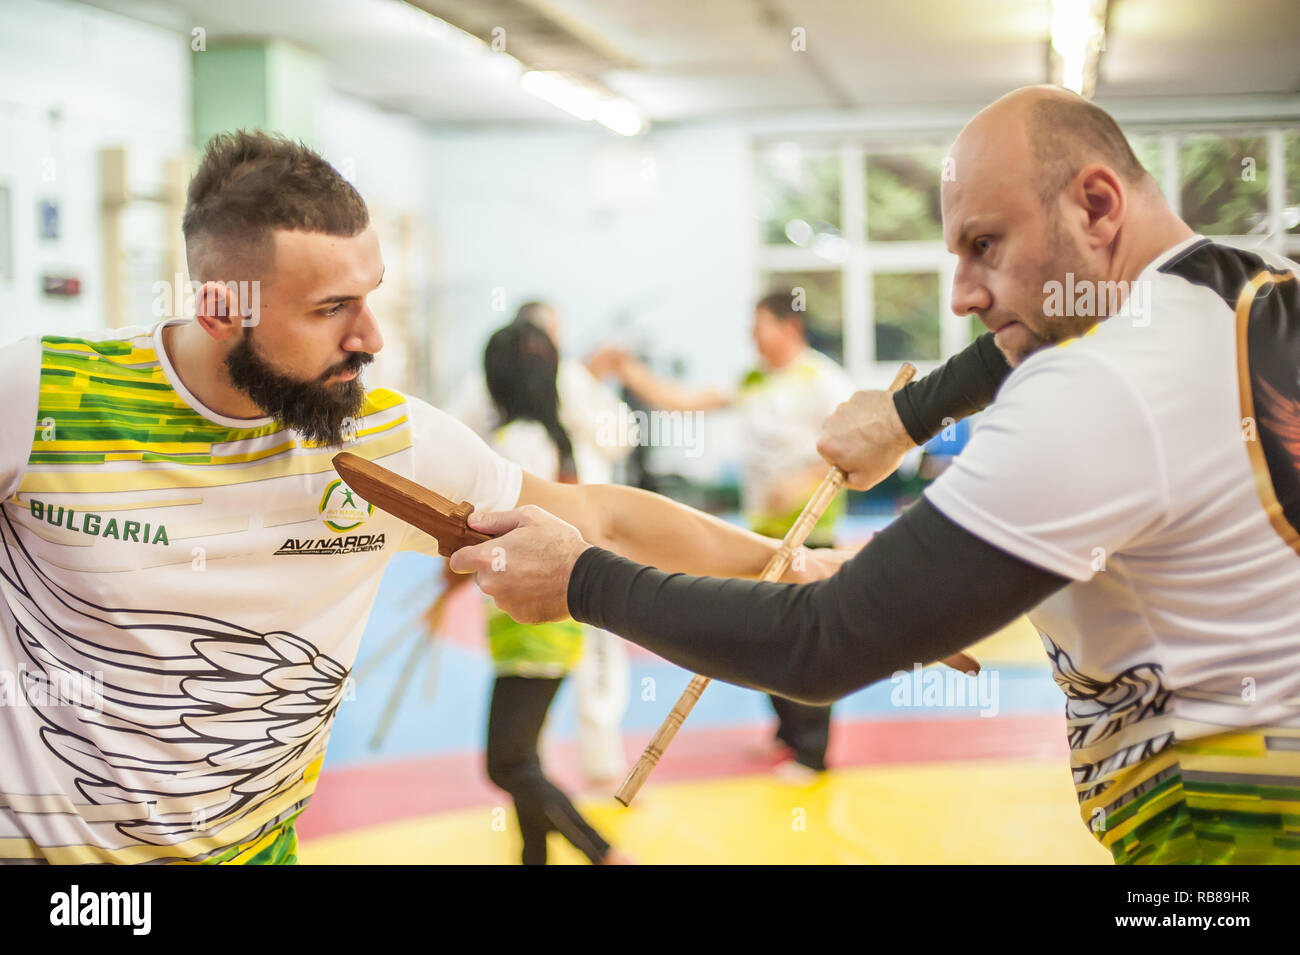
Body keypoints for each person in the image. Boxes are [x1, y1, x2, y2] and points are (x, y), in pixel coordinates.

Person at [451, 85, 1300, 865]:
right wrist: (913, 416)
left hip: (1225, 836)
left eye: (985, 245)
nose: (965, 292)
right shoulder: (1249, 292)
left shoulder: (1099, 384)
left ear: (1097, 205)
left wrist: (583, 582)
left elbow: (818, 641)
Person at [0, 130, 847, 865]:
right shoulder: (41, 394)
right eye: (332, 308)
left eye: (369, 296)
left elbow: (604, 515)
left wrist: (795, 566)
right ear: (220, 309)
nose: (370, 337)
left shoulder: (387, 439)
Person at [590, 292, 855, 778]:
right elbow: (682, 401)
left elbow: (855, 449)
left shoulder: (823, 381)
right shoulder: (752, 379)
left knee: (807, 639)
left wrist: (800, 484)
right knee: (769, 636)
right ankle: (787, 732)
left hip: (811, 534)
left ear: (789, 327)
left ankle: (813, 752)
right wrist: (627, 370)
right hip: (760, 535)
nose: (751, 334)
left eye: (759, 324)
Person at [444, 301, 633, 787]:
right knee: (529, 726)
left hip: (566, 558)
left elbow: (619, 437)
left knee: (522, 739)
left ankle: (583, 778)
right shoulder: (523, 416)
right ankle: (543, 776)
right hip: (567, 558)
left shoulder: (557, 396)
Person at [476, 321, 626, 864]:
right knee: (524, 754)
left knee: (507, 762)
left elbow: (499, 531)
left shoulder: (514, 443)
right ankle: (533, 856)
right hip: (547, 619)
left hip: (529, 624)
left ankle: (602, 852)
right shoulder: (559, 442)